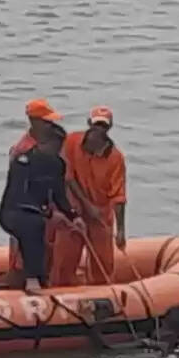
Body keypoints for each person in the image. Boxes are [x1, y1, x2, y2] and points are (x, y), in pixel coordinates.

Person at [0, 119, 83, 294]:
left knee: (38, 225)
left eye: (60, 146)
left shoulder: (58, 165)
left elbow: (59, 195)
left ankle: (41, 278)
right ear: (44, 143)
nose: (58, 150)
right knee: (33, 225)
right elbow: (19, 194)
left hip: (38, 212)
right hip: (12, 211)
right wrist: (49, 213)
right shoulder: (23, 162)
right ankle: (32, 279)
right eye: (55, 145)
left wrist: (74, 216)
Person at [50, 106, 127, 286]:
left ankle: (102, 298)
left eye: (103, 126)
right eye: (96, 125)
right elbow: (67, 177)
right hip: (73, 211)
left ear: (109, 128)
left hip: (100, 216)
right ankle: (61, 294)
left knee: (103, 265)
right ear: (89, 124)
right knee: (64, 261)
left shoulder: (115, 158)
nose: (98, 129)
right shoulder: (71, 142)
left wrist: (121, 231)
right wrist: (86, 204)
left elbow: (119, 196)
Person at [5, 98, 69, 287]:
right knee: (23, 256)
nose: (51, 126)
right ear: (36, 122)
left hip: (43, 209)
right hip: (28, 211)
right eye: (47, 122)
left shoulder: (48, 147)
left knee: (45, 252)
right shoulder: (24, 150)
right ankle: (20, 290)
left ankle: (42, 283)